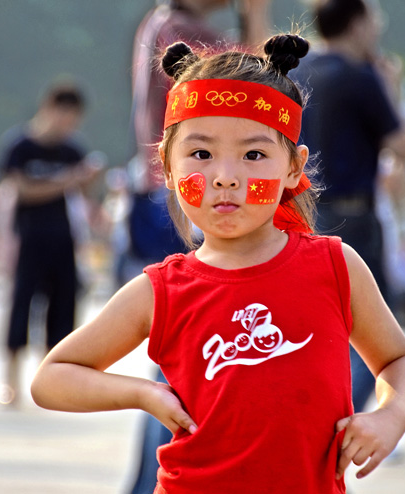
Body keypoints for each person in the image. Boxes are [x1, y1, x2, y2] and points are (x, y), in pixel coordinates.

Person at [31, 35, 405, 493]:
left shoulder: (336, 266)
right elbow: (52, 379)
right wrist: (144, 393)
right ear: (168, 167)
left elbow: (398, 361)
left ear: (294, 167)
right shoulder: (162, 290)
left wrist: (389, 417)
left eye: (254, 155)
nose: (225, 176)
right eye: (201, 154)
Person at [126, 2, 270, 492]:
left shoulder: (165, 23)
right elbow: (251, 90)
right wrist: (256, 20)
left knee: (180, 355)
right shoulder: (181, 30)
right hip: (188, 199)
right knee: (179, 359)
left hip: (172, 194)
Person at [293, 0, 405, 417]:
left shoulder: (298, 69)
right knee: (375, 333)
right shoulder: (361, 76)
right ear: (358, 23)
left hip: (298, 209)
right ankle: (336, 421)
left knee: (310, 325)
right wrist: (391, 87)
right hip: (352, 216)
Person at [0, 81, 102, 406]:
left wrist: (86, 182)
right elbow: (22, 190)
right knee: (21, 307)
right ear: (49, 109)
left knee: (63, 311)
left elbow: (84, 197)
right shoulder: (20, 147)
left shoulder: (72, 150)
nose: (68, 126)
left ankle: (53, 383)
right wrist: (66, 181)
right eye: (64, 117)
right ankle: (10, 380)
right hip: (28, 238)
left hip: (63, 239)